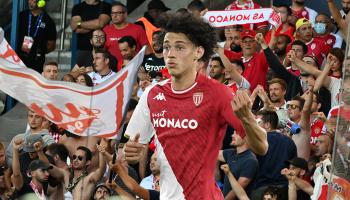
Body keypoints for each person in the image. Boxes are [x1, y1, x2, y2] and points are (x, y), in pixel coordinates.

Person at [123, 13, 268, 199]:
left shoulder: (219, 93)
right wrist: (131, 153)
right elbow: (134, 148)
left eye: (179, 47)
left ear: (198, 52)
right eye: (167, 47)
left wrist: (247, 118)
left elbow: (261, 147)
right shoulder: (152, 94)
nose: (170, 54)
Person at [252, 110, 297, 200]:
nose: (255, 125)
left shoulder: (258, 141)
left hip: (261, 190)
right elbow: (294, 167)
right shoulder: (289, 142)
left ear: (267, 125)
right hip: (284, 189)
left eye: (258, 122)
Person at [103, 2, 150, 71]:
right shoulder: (106, 30)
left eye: (118, 13)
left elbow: (147, 52)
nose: (114, 16)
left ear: (125, 14)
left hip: (134, 69)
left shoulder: (137, 29)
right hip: (111, 71)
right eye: (112, 13)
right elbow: (101, 52)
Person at [16, 0, 56, 73]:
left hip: (36, 62)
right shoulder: (21, 16)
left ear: (40, 2)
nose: (30, 1)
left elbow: (51, 46)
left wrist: (38, 49)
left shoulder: (48, 21)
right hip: (19, 58)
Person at [217, 130, 258, 199]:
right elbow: (212, 153)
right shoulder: (231, 153)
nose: (232, 135)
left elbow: (237, 190)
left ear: (246, 137)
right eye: (233, 133)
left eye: (237, 133)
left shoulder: (250, 160)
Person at [71, 0, 111, 67]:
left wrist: (80, 24)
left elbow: (100, 24)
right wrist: (95, 25)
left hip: (101, 49)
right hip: (83, 49)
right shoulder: (77, 7)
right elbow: (75, 28)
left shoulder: (106, 6)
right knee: (83, 75)